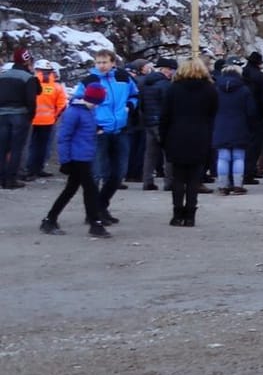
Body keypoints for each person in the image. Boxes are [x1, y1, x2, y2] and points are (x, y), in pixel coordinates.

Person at [43, 82, 109, 237]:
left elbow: (85, 129)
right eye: (95, 103)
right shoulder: (74, 112)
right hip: (77, 158)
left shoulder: (88, 110)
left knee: (71, 189)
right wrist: (65, 161)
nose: (96, 106)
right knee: (90, 190)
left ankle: (50, 218)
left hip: (85, 155)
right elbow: (64, 137)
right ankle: (95, 223)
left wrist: (96, 129)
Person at [159, 58, 217, 226]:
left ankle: (177, 214)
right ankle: (190, 214)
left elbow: (165, 116)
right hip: (200, 136)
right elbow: (212, 114)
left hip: (176, 135)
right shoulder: (209, 90)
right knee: (194, 178)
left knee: (178, 177)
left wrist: (163, 138)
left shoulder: (173, 89)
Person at [88, 48, 139, 223]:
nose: (101, 66)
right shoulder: (90, 80)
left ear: (113, 63)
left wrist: (129, 107)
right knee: (96, 173)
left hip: (120, 129)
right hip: (100, 130)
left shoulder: (124, 78)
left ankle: (101, 206)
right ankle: (93, 212)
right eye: (98, 62)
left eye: (104, 62)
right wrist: (93, 124)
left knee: (119, 173)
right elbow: (78, 101)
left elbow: (135, 95)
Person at [212, 60, 258, 195]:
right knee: (238, 157)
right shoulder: (244, 90)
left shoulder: (216, 88)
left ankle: (222, 186)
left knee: (222, 156)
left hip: (220, 125)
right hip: (240, 125)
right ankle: (238, 185)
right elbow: (251, 111)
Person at [0, 49, 36, 189]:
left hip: (2, 116)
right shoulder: (28, 78)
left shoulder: (3, 76)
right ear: (27, 61)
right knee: (16, 149)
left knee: (2, 149)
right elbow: (31, 101)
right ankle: (11, 180)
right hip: (19, 115)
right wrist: (29, 117)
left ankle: (1, 178)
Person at [26, 59, 67, 180]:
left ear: (36, 70)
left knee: (31, 146)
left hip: (31, 120)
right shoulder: (56, 86)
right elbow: (62, 104)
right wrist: (54, 116)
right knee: (43, 146)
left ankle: (30, 169)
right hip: (48, 121)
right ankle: (39, 169)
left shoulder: (30, 83)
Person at [138, 58, 173, 191]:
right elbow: (168, 105)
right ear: (164, 69)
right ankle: (169, 182)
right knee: (168, 153)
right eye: (170, 70)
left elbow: (141, 104)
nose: (171, 72)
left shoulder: (145, 83)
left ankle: (147, 181)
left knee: (150, 154)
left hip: (149, 122)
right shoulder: (165, 85)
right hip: (162, 123)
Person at [240, 52, 263, 184]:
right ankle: (249, 172)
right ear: (259, 63)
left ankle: (237, 173)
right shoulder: (261, 77)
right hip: (256, 115)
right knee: (254, 146)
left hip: (239, 115)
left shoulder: (241, 74)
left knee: (239, 145)